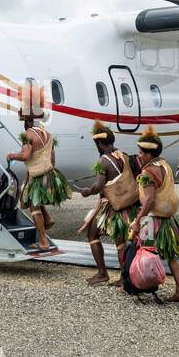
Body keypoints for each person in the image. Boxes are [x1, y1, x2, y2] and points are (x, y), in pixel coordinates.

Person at [128, 127, 179, 302]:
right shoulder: (164, 165)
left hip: (152, 220)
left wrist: (137, 220)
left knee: (145, 252)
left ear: (150, 154)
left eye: (141, 152)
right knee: (171, 255)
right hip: (168, 218)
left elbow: (148, 201)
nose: (139, 155)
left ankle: (146, 285)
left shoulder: (148, 172)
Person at [5, 84, 70, 252]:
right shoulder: (46, 134)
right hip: (48, 174)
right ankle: (47, 219)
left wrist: (12, 155)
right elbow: (52, 158)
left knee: (34, 207)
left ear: (26, 120)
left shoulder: (28, 134)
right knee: (32, 196)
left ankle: (43, 241)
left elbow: (25, 156)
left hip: (38, 176)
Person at [77, 121, 139, 285]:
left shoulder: (103, 161)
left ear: (100, 144)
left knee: (92, 234)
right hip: (128, 204)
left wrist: (87, 191)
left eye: (97, 144)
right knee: (120, 241)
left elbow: (98, 186)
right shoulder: (123, 156)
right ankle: (123, 277)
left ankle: (104, 273)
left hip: (112, 206)